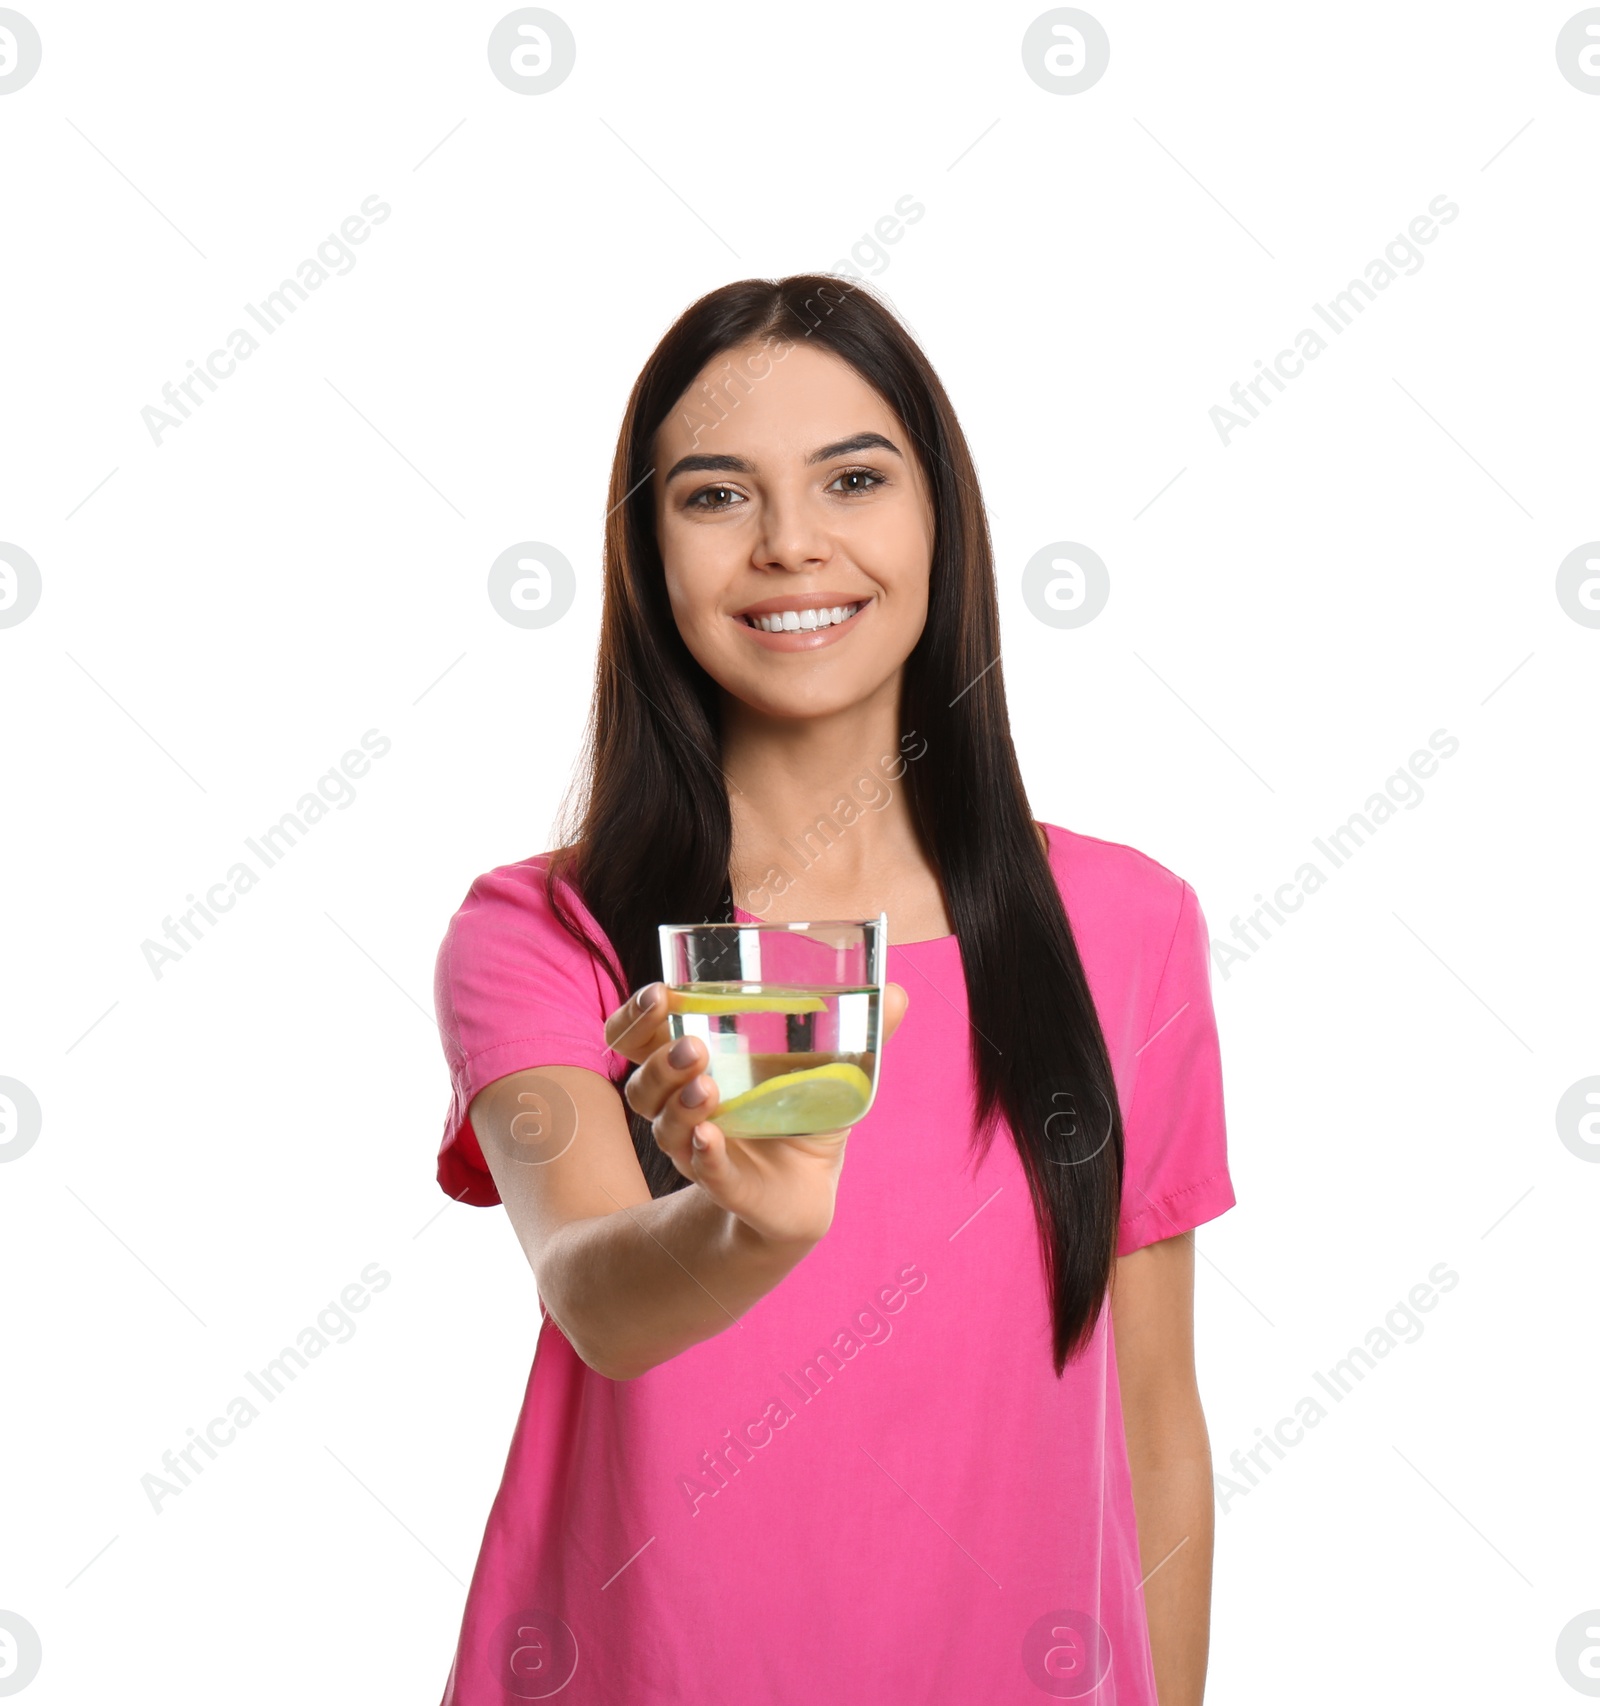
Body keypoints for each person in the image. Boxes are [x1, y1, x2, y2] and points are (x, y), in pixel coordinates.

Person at [431, 274, 1236, 1704]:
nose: (793, 544)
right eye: (716, 496)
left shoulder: (1125, 926)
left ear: (940, 520)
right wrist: (748, 1226)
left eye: (853, 479)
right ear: (647, 558)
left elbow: (1156, 1421)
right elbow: (596, 1296)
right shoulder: (545, 932)